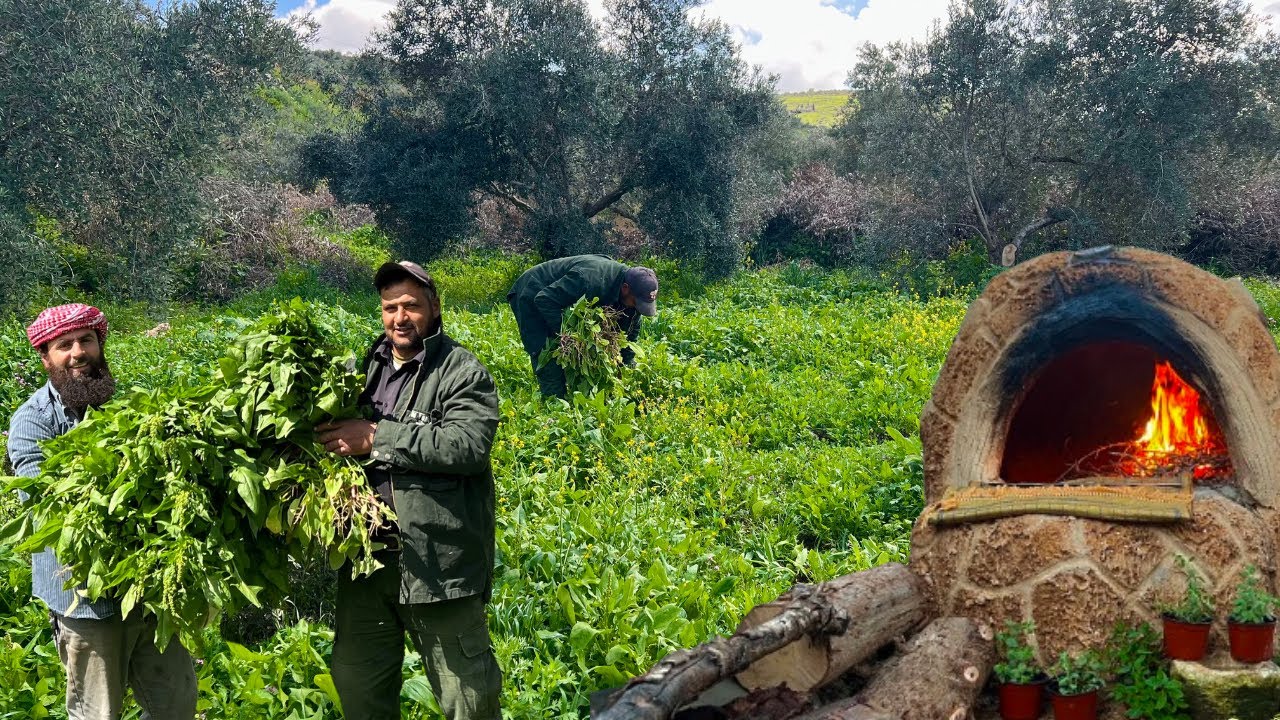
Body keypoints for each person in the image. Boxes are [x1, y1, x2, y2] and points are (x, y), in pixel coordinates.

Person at [315, 260, 502, 720]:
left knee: (469, 702)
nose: (400, 317)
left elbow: (468, 445)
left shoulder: (460, 370)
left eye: (412, 306)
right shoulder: (363, 368)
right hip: (368, 566)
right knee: (360, 690)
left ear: (434, 308)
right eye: (390, 307)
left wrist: (378, 437)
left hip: (439, 567)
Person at [6, 303, 197, 720]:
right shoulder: (33, 422)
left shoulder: (125, 406)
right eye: (64, 345)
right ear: (46, 358)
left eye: (87, 340)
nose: (78, 352)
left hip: (146, 592)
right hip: (84, 599)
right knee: (97, 713)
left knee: (176, 703)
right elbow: (47, 511)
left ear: (100, 345)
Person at [506, 255, 659, 397]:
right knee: (548, 351)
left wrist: (627, 366)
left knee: (581, 353)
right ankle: (554, 407)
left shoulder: (634, 291)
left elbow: (630, 329)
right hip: (533, 290)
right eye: (637, 302)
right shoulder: (589, 281)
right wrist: (569, 337)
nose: (638, 308)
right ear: (625, 288)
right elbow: (544, 299)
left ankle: (575, 399)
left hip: (559, 295)